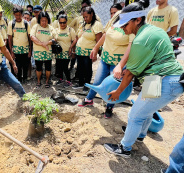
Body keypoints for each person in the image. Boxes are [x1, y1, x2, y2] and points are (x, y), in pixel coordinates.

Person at [103, 0, 184, 158]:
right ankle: (140, 134)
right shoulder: (155, 30)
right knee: (147, 110)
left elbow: (130, 74)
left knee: (134, 115)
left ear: (137, 20)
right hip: (161, 78)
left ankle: (124, 148)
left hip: (165, 81)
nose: (123, 28)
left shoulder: (140, 40)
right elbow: (152, 58)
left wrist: (118, 92)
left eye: (125, 24)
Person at [78, 3, 132, 119]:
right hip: (105, 59)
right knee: (97, 82)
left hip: (118, 63)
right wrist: (96, 47)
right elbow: (105, 34)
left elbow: (131, 47)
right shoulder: (115, 18)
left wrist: (123, 65)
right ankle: (89, 99)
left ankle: (109, 107)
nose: (114, 14)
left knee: (113, 86)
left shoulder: (131, 26)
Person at [71, 6, 103, 92]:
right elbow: (77, 37)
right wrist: (72, 47)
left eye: (86, 17)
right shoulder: (83, 25)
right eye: (84, 17)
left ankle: (87, 84)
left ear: (92, 14)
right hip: (79, 51)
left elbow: (99, 40)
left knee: (87, 68)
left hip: (88, 52)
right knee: (80, 68)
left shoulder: (97, 25)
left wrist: (96, 52)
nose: (85, 19)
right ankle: (81, 83)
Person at [30, 11, 56, 88]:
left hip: (48, 52)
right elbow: (32, 37)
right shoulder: (36, 27)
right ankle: (38, 81)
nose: (44, 22)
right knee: (38, 68)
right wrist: (43, 44)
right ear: (39, 20)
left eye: (46, 20)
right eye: (42, 20)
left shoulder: (50, 28)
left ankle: (47, 81)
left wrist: (47, 42)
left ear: (48, 20)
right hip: (38, 52)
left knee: (48, 67)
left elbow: (55, 39)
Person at [8, 7, 32, 83]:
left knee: (25, 65)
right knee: (18, 66)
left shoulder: (26, 23)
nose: (18, 17)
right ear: (14, 14)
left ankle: (24, 78)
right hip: (16, 50)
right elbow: (10, 38)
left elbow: (29, 38)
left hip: (25, 49)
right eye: (16, 15)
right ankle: (18, 79)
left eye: (19, 15)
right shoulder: (11, 24)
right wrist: (11, 51)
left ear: (22, 14)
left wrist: (30, 50)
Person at [55, 14, 76, 88]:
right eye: (61, 22)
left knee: (65, 67)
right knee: (59, 67)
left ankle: (69, 81)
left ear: (66, 22)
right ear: (58, 22)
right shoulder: (56, 30)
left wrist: (71, 48)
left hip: (67, 52)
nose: (62, 24)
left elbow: (74, 40)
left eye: (64, 22)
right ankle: (61, 79)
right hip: (58, 53)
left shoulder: (70, 30)